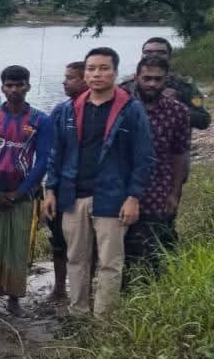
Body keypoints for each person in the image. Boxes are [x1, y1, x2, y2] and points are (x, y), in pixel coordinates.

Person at [43, 46, 154, 316]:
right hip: (74, 196)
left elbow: (144, 158)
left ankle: (104, 320)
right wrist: (50, 190)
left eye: (104, 68)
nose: (96, 74)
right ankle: (78, 313)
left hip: (112, 197)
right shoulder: (68, 110)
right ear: (85, 74)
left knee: (110, 263)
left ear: (115, 72)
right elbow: (57, 153)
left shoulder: (131, 110)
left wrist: (133, 197)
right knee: (76, 258)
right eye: (91, 69)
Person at [0, 64, 52, 315]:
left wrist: (21, 192)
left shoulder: (40, 120)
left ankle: (14, 298)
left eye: (20, 85)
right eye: (9, 85)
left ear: (27, 86)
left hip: (23, 194)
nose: (15, 90)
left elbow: (43, 160)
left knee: (17, 247)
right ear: (2, 88)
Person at [124, 54, 191, 280]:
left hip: (158, 189)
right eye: (147, 78)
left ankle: (152, 291)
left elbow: (179, 154)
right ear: (136, 78)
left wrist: (175, 193)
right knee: (118, 250)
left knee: (154, 250)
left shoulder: (177, 111)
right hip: (120, 188)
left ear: (166, 80)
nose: (152, 84)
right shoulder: (121, 106)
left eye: (157, 79)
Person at [45, 61, 87, 304]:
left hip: (89, 189)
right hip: (63, 188)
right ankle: (59, 288)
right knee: (58, 240)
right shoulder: (61, 111)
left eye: (70, 78)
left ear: (85, 80)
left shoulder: (102, 111)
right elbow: (52, 152)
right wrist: (50, 188)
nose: (64, 82)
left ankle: (84, 292)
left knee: (88, 244)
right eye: (65, 77)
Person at [123, 36, 210, 131]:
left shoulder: (184, 86)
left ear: (170, 56)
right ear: (141, 56)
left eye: (161, 53)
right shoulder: (127, 86)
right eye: (148, 52)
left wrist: (178, 106)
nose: (154, 56)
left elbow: (204, 120)